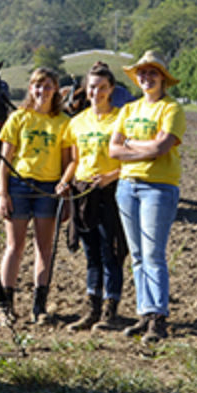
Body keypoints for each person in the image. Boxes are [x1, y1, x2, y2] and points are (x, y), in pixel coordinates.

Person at [108, 50, 186, 344]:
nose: (146, 77)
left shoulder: (171, 109)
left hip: (159, 187)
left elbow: (161, 148)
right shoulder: (129, 109)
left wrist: (130, 143)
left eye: (152, 72)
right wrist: (143, 145)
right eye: (142, 73)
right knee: (138, 255)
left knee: (153, 254)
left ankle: (157, 317)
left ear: (163, 78)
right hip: (127, 186)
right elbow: (113, 150)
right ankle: (144, 313)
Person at [0, 67, 71, 324]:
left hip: (48, 189)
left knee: (44, 248)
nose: (42, 91)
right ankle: (5, 306)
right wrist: (2, 193)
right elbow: (4, 160)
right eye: (38, 86)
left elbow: (66, 161)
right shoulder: (18, 118)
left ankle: (39, 306)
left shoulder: (62, 122)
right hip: (18, 185)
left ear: (56, 90)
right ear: (31, 89)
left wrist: (64, 186)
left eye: (48, 86)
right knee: (14, 247)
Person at [58, 62, 128, 332]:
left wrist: (113, 175)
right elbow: (75, 160)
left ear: (111, 90)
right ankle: (92, 309)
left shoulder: (122, 118)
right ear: (85, 91)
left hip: (111, 191)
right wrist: (64, 183)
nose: (96, 92)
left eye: (101, 87)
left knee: (111, 252)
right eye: (91, 87)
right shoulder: (77, 123)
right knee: (92, 255)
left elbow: (132, 158)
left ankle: (111, 311)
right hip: (84, 191)